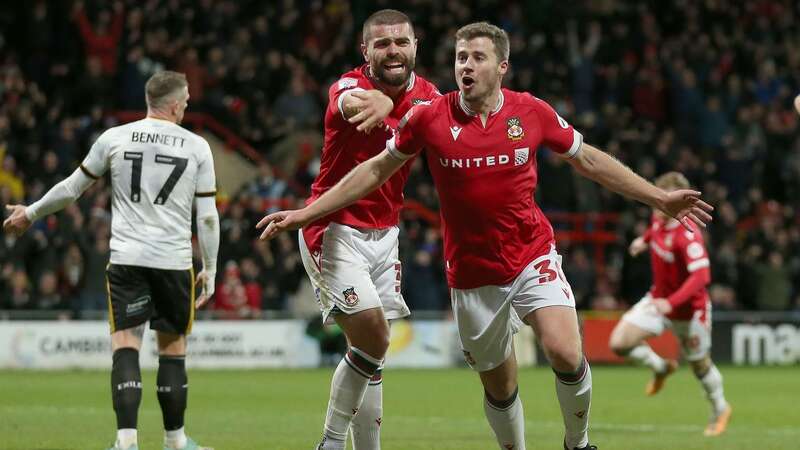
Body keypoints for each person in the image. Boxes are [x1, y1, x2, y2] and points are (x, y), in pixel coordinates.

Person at [257, 22, 713, 450]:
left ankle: (579, 443)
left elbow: (587, 158)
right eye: (460, 57)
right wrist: (309, 212)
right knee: (500, 385)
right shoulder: (430, 117)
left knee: (565, 352)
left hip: (531, 254)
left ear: (501, 67)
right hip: (472, 274)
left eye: (477, 57)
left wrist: (658, 197)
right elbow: (375, 169)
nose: (466, 66)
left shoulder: (530, 111)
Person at [3, 71, 218, 450]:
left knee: (125, 345)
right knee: (171, 349)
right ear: (171, 103)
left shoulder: (115, 137)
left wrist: (30, 213)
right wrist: (212, 267)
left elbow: (72, 189)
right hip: (172, 260)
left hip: (127, 258)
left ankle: (126, 442)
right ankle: (176, 442)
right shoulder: (196, 146)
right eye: (184, 100)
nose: (187, 104)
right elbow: (208, 217)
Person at [295, 9, 439, 450]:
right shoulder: (349, 86)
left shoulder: (430, 98)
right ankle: (331, 442)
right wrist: (381, 102)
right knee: (376, 337)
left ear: (415, 46)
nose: (392, 50)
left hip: (386, 233)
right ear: (366, 51)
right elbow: (349, 103)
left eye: (400, 42)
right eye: (382, 44)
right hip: (333, 229)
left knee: (372, 355)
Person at [609, 172, 731, 437]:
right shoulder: (658, 219)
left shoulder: (688, 235)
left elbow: (702, 276)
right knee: (619, 343)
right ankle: (661, 366)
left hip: (688, 312)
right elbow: (656, 232)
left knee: (700, 366)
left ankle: (720, 409)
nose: (658, 201)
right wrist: (644, 241)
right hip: (657, 300)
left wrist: (672, 303)